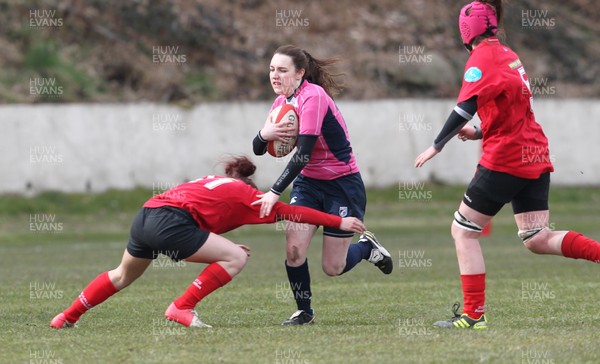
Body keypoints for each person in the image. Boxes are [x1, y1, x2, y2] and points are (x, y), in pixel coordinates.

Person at [415, 0, 600, 329]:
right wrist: (480, 132)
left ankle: (474, 315)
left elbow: (463, 109)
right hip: (535, 153)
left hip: (506, 158)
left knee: (463, 231)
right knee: (536, 238)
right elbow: (512, 106)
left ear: (465, 29)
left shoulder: (480, 59)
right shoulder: (508, 54)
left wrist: (436, 145)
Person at [50, 156, 366, 329]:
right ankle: (181, 308)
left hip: (146, 215)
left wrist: (222, 246)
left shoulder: (211, 182)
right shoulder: (249, 196)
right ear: (251, 188)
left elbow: (203, 217)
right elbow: (292, 211)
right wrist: (339, 222)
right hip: (170, 224)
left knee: (121, 274)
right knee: (235, 259)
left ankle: (67, 316)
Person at [251, 45, 393, 326]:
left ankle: (366, 248)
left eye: (282, 70)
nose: (275, 76)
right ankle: (304, 311)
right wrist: (262, 134)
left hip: (342, 185)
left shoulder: (313, 96)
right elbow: (258, 148)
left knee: (333, 267)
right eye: (271, 70)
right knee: (293, 249)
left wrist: (274, 191)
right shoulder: (280, 104)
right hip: (307, 185)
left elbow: (303, 153)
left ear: (300, 72)